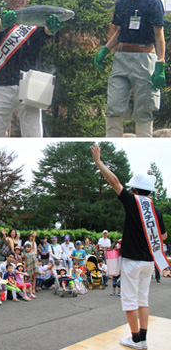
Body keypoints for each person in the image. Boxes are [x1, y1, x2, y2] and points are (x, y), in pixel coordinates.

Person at [92, 144, 168, 349]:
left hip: (132, 261)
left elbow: (114, 182)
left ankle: (135, 339)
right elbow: (163, 235)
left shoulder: (132, 201)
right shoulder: (156, 209)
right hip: (149, 263)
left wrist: (99, 162)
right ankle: (142, 338)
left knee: (129, 301)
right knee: (143, 300)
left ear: (134, 189)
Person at [94, 0, 165, 137]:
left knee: (143, 108)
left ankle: (144, 144)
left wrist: (160, 63)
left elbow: (159, 35)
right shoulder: (121, 2)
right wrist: (105, 49)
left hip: (144, 58)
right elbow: (119, 31)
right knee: (113, 106)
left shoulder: (152, 2)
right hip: (121, 58)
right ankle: (112, 144)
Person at [0, 0, 61, 137]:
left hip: (30, 84)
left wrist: (52, 27)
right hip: (2, 85)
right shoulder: (2, 19)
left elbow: (48, 32)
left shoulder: (38, 22)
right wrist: (5, 22)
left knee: (33, 135)